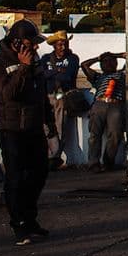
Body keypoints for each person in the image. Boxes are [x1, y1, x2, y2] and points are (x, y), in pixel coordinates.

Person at [0, 20, 54, 245]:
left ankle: (30, 218)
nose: (35, 48)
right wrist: (23, 68)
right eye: (29, 43)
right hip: (12, 128)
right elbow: (8, 94)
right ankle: (19, 224)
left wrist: (50, 124)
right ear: (16, 43)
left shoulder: (34, 62)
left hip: (34, 126)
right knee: (16, 177)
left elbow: (41, 95)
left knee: (39, 173)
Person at [37, 29, 81, 169]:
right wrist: (57, 71)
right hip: (47, 94)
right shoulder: (45, 58)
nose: (63, 47)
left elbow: (68, 76)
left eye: (65, 44)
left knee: (60, 124)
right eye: (60, 44)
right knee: (45, 126)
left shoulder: (73, 58)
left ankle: (55, 155)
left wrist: (51, 73)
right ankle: (49, 154)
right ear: (54, 45)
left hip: (62, 95)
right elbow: (42, 75)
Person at [81, 52, 126, 171]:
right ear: (101, 65)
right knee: (95, 134)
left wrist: (115, 55)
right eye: (105, 62)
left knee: (115, 134)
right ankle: (93, 163)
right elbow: (84, 65)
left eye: (112, 61)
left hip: (116, 104)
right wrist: (98, 58)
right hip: (99, 104)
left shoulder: (122, 75)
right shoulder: (97, 77)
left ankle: (108, 162)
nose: (109, 63)